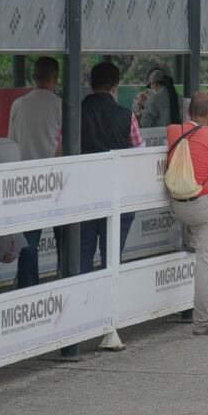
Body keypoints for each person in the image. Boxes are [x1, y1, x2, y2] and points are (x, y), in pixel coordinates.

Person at [167, 91, 208, 336]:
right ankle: (203, 322)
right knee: (205, 264)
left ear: (188, 112)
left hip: (178, 206)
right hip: (205, 206)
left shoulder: (173, 131)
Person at [79, 61, 142, 273]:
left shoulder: (74, 114)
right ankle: (108, 302)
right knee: (112, 256)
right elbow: (138, 154)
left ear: (90, 84)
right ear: (115, 86)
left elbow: (60, 151)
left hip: (83, 194)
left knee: (82, 255)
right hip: (117, 193)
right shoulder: (126, 115)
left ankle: (83, 300)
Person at [7, 56, 63, 288]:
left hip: (27, 178)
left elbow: (14, 139)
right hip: (58, 178)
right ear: (56, 78)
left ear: (33, 76)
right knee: (64, 236)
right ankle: (65, 279)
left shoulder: (18, 104)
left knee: (29, 239)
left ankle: (28, 286)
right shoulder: (60, 105)